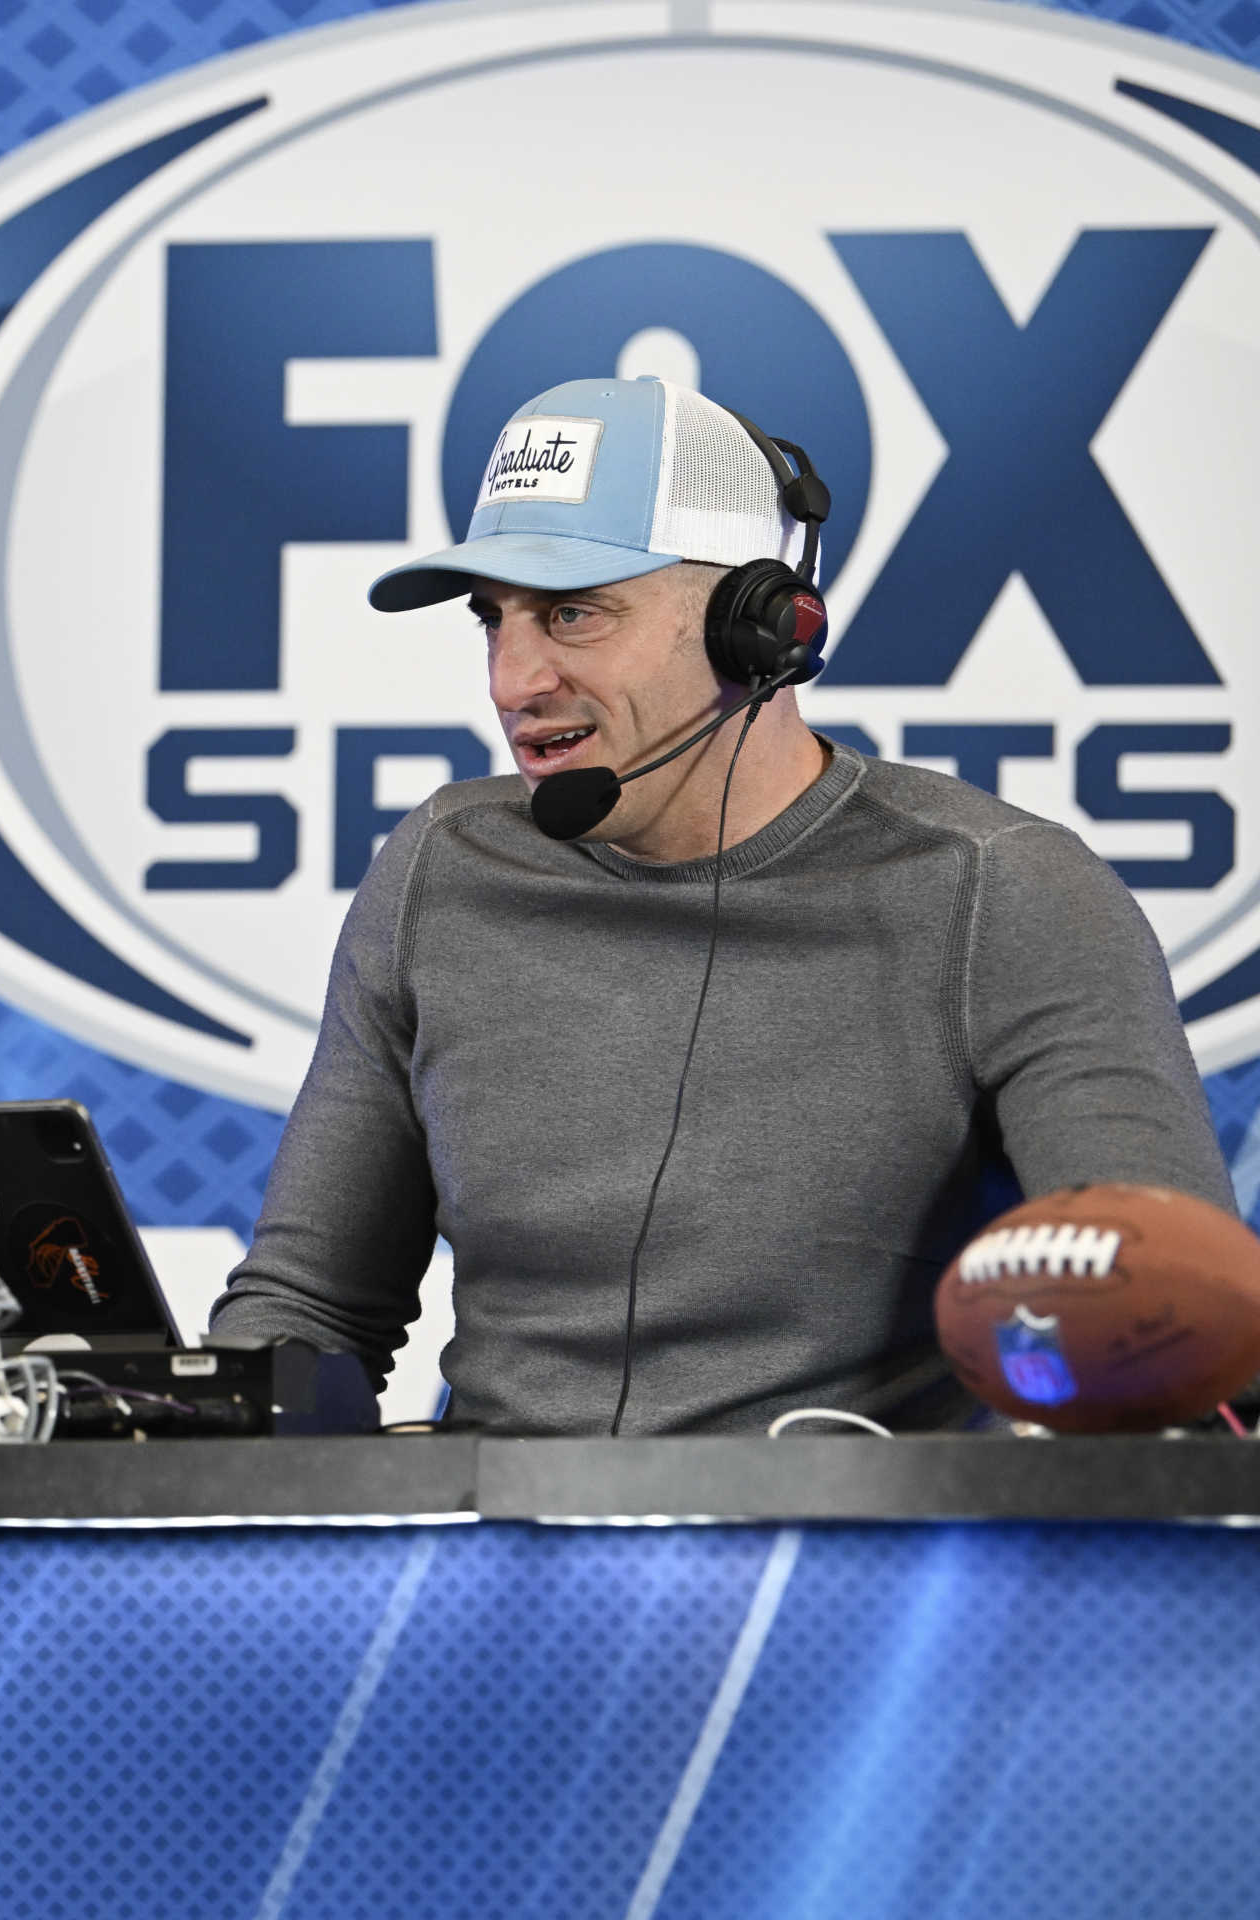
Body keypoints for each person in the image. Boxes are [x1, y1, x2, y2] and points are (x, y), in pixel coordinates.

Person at [207, 375, 1230, 1435]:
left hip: (843, 1573)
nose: (514, 679)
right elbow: (308, 1307)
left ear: (759, 628)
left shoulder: (1001, 890)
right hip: (486, 1569)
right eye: (493, 620)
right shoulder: (440, 866)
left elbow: (1171, 1334)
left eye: (572, 613)